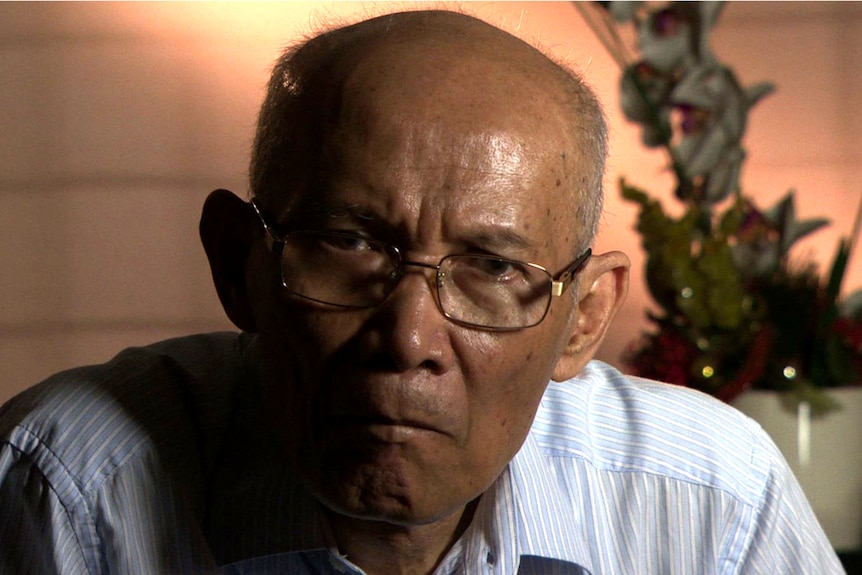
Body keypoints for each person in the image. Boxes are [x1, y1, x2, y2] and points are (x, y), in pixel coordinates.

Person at [0, 9, 844, 575]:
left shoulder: (713, 507)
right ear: (240, 265)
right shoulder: (69, 486)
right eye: (349, 241)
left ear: (583, 318)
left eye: (494, 267)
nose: (407, 338)